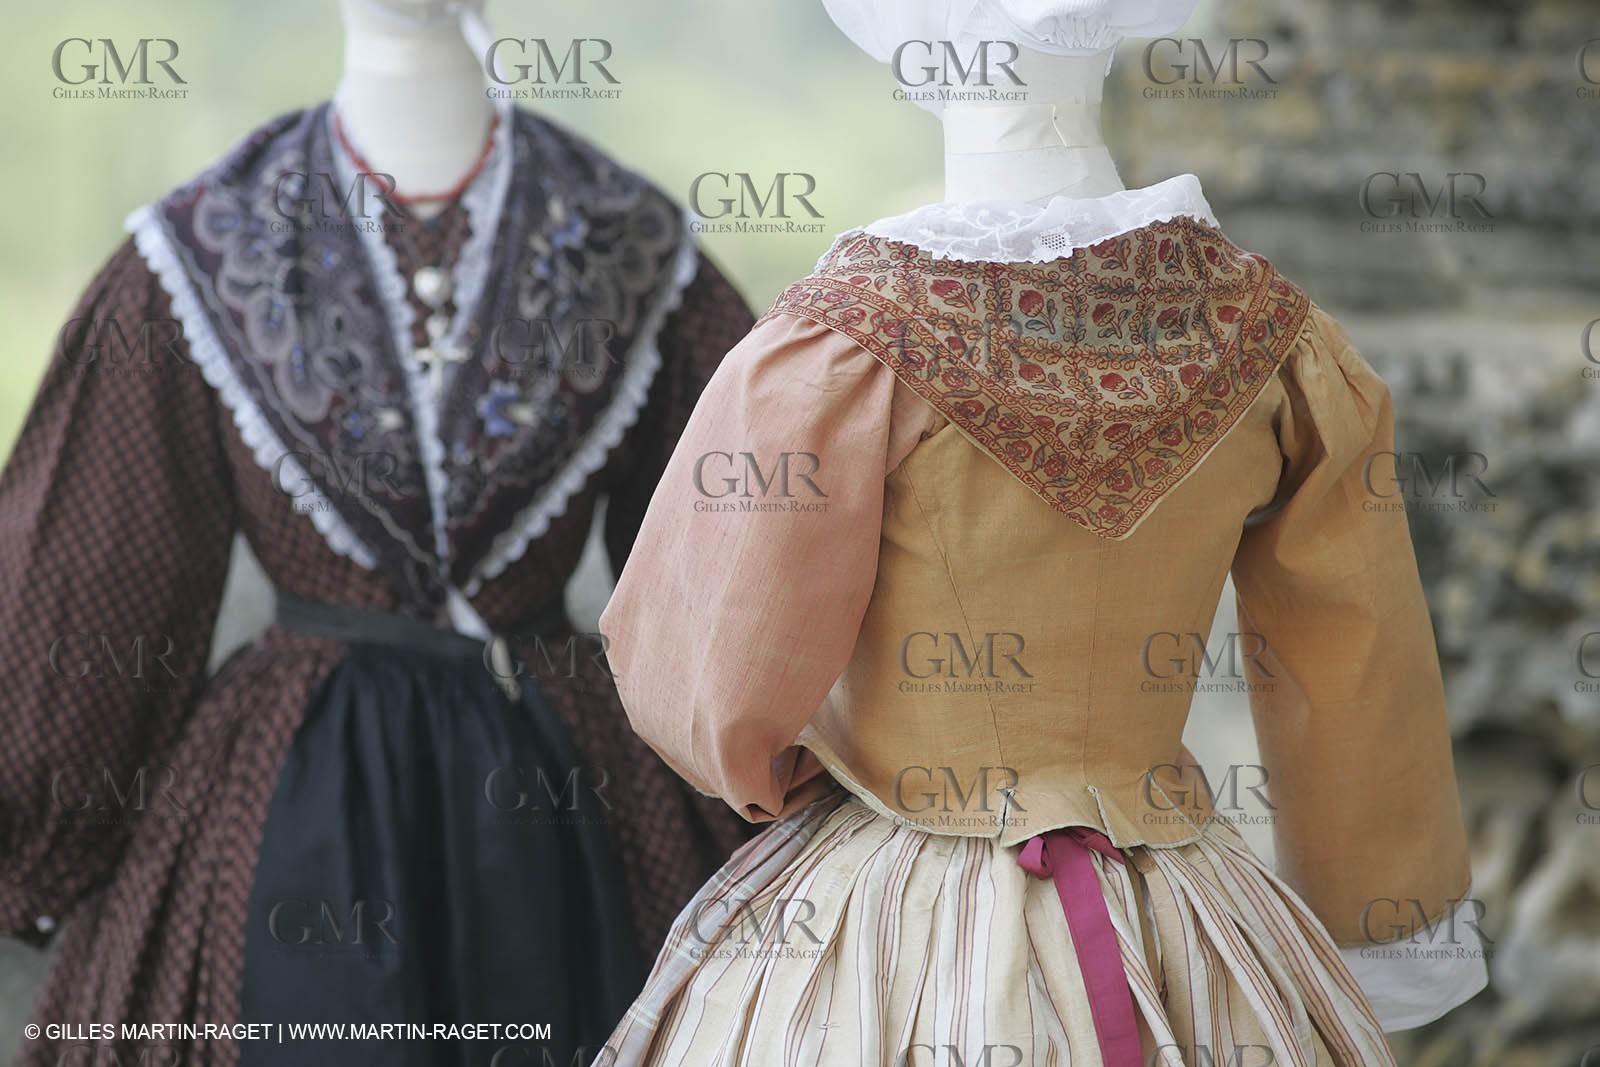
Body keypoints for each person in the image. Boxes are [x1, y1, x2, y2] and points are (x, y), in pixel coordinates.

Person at [592, 2, 1487, 1063]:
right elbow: (1358, 669)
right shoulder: (1280, 342)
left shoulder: (840, 345)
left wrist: (815, 766)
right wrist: (1379, 918)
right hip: (1180, 900)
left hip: (894, 895)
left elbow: (704, 678)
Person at [0, 3, 752, 1064]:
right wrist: (35, 829)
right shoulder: (199, 244)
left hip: (560, 815)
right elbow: (92, 577)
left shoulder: (628, 238)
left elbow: (732, 572)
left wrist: (787, 782)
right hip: (291, 810)